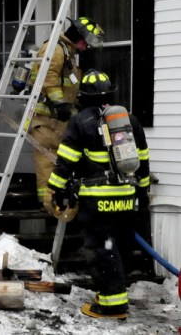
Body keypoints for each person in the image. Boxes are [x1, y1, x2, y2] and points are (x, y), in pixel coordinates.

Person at [44, 70, 150, 319]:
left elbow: (66, 162)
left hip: (98, 200)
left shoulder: (81, 121)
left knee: (101, 251)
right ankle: (111, 294)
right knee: (117, 248)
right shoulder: (129, 121)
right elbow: (143, 159)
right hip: (126, 197)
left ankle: (112, 306)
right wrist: (142, 192)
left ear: (83, 96)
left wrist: (56, 190)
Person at [28, 16, 104, 202]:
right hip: (46, 121)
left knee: (60, 161)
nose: (86, 47)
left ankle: (57, 202)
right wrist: (59, 103)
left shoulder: (66, 53)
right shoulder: (55, 49)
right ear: (78, 37)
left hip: (58, 121)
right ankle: (47, 205)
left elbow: (67, 84)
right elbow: (48, 78)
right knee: (47, 162)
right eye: (85, 43)